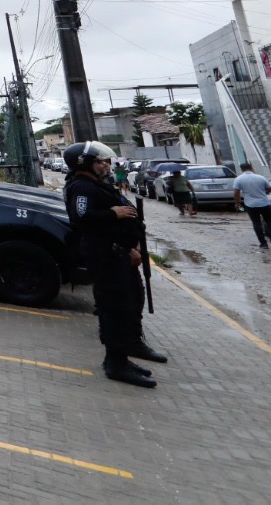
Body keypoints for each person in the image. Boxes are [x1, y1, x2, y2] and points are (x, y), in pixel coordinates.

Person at [63, 141, 167, 387]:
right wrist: (113, 214)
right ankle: (115, 362)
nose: (106, 165)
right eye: (100, 161)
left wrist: (132, 243)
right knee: (114, 307)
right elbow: (81, 217)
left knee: (129, 302)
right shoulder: (81, 187)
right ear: (85, 164)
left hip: (119, 253)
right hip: (105, 255)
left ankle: (128, 348)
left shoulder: (98, 185)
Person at [232, 162, 271, 249]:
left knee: (256, 223)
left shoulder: (238, 179)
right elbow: (269, 189)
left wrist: (237, 203)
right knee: (269, 222)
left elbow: (236, 192)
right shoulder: (261, 177)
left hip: (251, 205)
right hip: (264, 203)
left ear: (242, 169)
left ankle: (263, 243)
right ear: (251, 167)